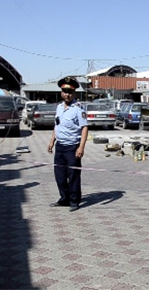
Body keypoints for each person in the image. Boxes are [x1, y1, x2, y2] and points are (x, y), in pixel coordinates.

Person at [47, 78, 88, 212]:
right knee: (59, 176)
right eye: (65, 91)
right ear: (61, 92)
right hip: (60, 147)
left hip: (72, 147)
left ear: (74, 93)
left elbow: (84, 128)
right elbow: (57, 125)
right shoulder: (59, 107)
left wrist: (81, 147)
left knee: (73, 175)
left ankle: (74, 200)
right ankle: (64, 198)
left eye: (70, 92)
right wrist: (52, 141)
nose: (67, 94)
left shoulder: (78, 108)